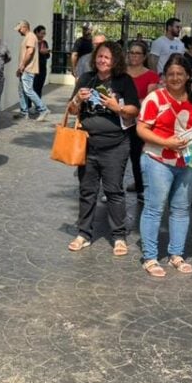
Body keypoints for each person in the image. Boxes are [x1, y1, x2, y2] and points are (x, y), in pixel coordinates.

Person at [136, 55, 192, 276]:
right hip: (158, 160)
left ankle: (176, 254)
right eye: (170, 74)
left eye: (180, 74)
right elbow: (141, 129)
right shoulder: (155, 98)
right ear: (164, 76)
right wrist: (166, 142)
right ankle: (150, 257)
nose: (175, 78)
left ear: (188, 75)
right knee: (154, 208)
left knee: (181, 209)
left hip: (188, 159)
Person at [66, 41, 139, 255]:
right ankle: (84, 234)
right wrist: (78, 100)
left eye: (107, 57)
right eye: (99, 56)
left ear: (115, 60)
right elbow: (71, 110)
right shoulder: (86, 79)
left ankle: (119, 236)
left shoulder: (123, 81)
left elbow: (134, 110)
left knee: (114, 191)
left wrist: (118, 108)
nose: (102, 60)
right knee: (87, 191)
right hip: (87, 144)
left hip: (115, 145)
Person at [124, 41, 160, 198]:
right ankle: (113, 189)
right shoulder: (120, 73)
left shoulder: (151, 75)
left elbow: (148, 99)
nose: (134, 56)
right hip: (120, 119)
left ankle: (140, 188)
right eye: (131, 52)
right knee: (118, 156)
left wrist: (127, 104)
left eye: (137, 53)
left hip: (140, 121)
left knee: (137, 155)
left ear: (144, 56)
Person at [12, 20, 50, 121]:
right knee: (22, 90)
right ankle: (24, 112)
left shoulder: (30, 37)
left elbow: (30, 51)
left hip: (28, 69)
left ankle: (43, 109)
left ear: (25, 27)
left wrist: (22, 66)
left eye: (20, 29)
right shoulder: (29, 37)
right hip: (24, 69)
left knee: (28, 90)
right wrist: (20, 67)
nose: (19, 31)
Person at [33, 24, 51, 97]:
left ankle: (38, 104)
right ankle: (29, 104)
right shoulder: (33, 42)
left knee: (39, 88)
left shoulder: (44, 42)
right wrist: (39, 52)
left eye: (44, 33)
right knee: (33, 87)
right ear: (37, 32)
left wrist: (46, 52)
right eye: (42, 33)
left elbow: (48, 56)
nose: (43, 35)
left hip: (42, 68)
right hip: (34, 68)